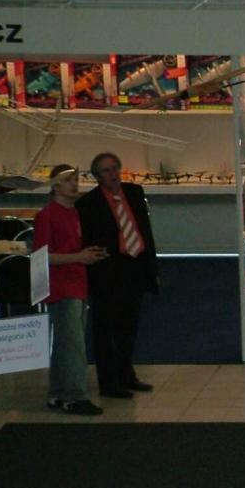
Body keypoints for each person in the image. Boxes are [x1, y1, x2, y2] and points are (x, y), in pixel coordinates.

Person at [77, 151, 159, 398]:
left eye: (114, 168)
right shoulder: (88, 203)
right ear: (97, 176)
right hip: (108, 270)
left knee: (129, 325)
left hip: (134, 266)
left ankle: (126, 374)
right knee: (105, 327)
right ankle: (108, 382)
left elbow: (145, 231)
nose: (112, 174)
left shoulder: (134, 192)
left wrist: (152, 267)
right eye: (106, 170)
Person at [33, 165, 107, 415]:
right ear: (56, 185)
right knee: (74, 343)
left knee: (66, 342)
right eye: (69, 180)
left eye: (76, 180)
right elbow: (42, 257)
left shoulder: (74, 213)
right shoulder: (47, 216)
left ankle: (58, 391)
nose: (75, 184)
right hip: (61, 286)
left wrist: (87, 255)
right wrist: (79, 257)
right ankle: (75, 396)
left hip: (77, 283)